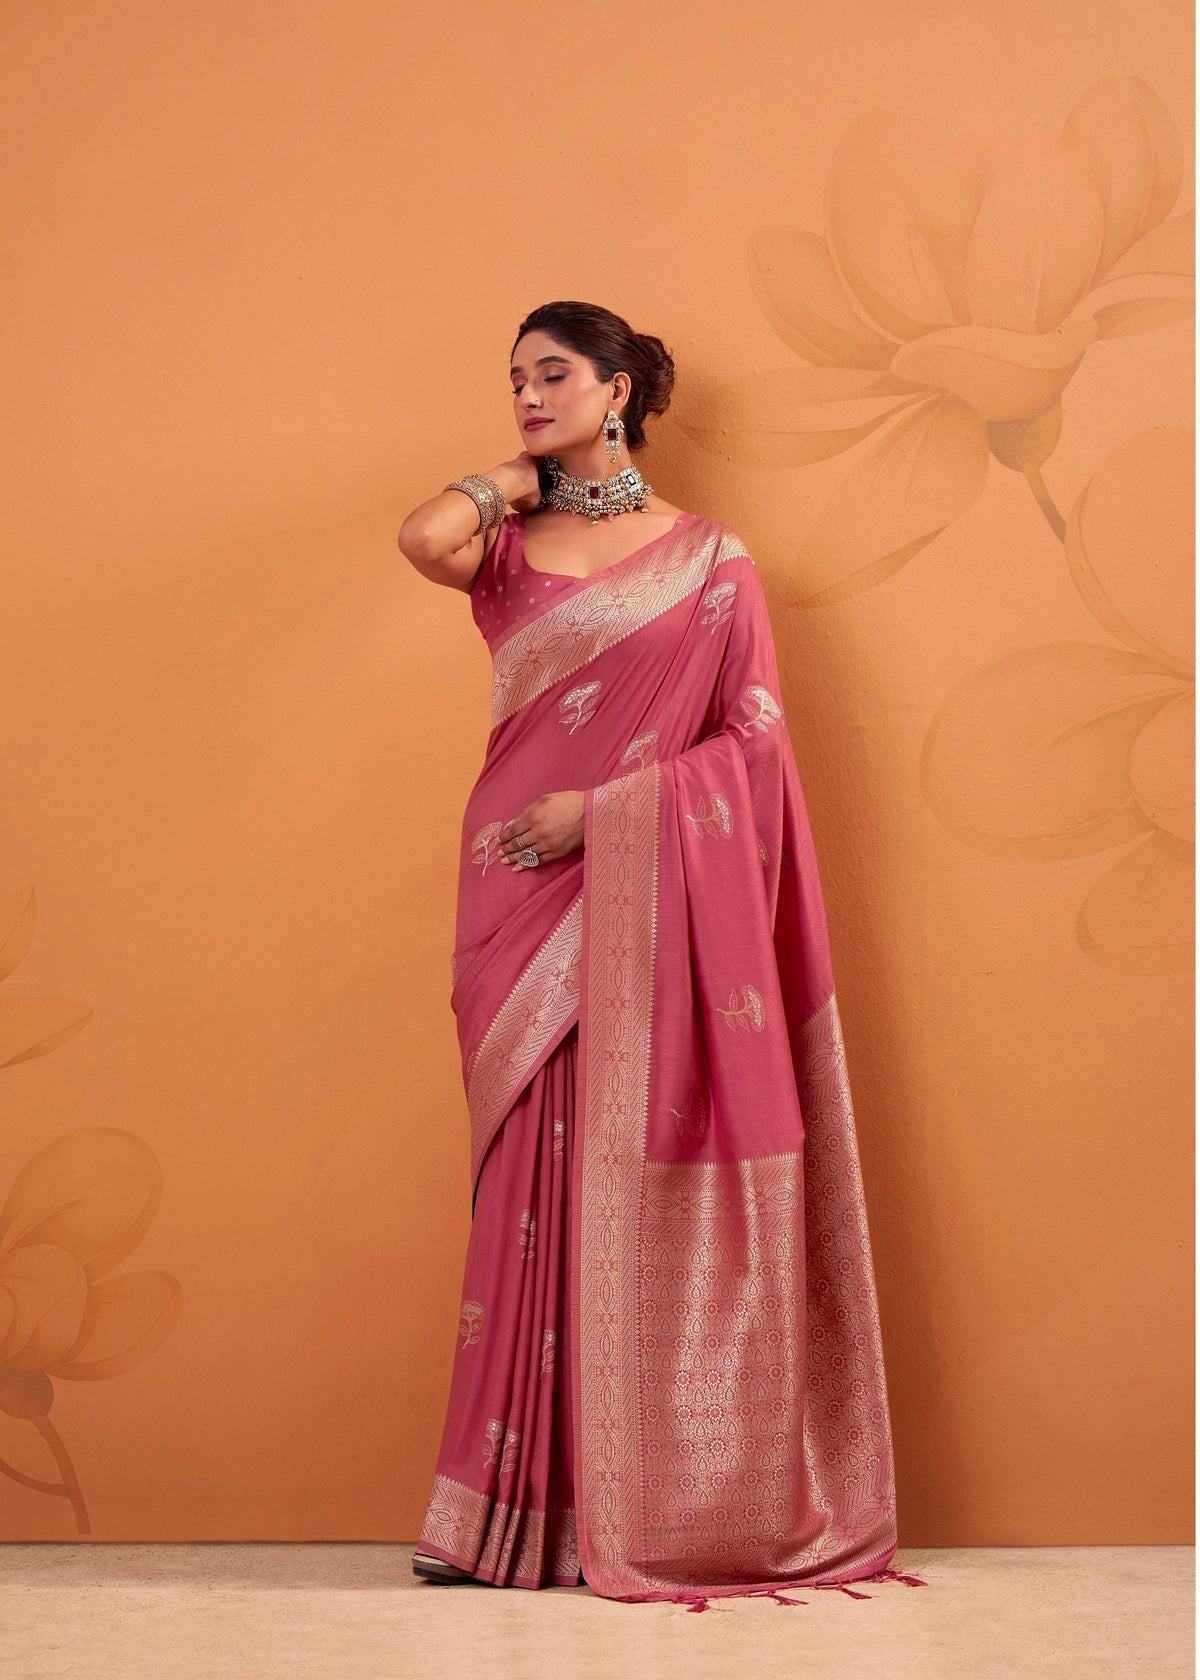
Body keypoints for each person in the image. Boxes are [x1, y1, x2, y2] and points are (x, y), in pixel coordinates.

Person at [395, 301, 922, 1608]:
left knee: (618, 1168)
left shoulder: (708, 561)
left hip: (619, 875)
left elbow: (754, 747)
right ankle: (501, 1513)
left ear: (619, 387)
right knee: (526, 1180)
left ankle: (623, 1508)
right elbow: (420, 540)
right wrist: (511, 477)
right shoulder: (508, 549)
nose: (527, 392)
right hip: (512, 894)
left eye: (554, 374)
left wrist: (608, 818)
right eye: (513, 377)